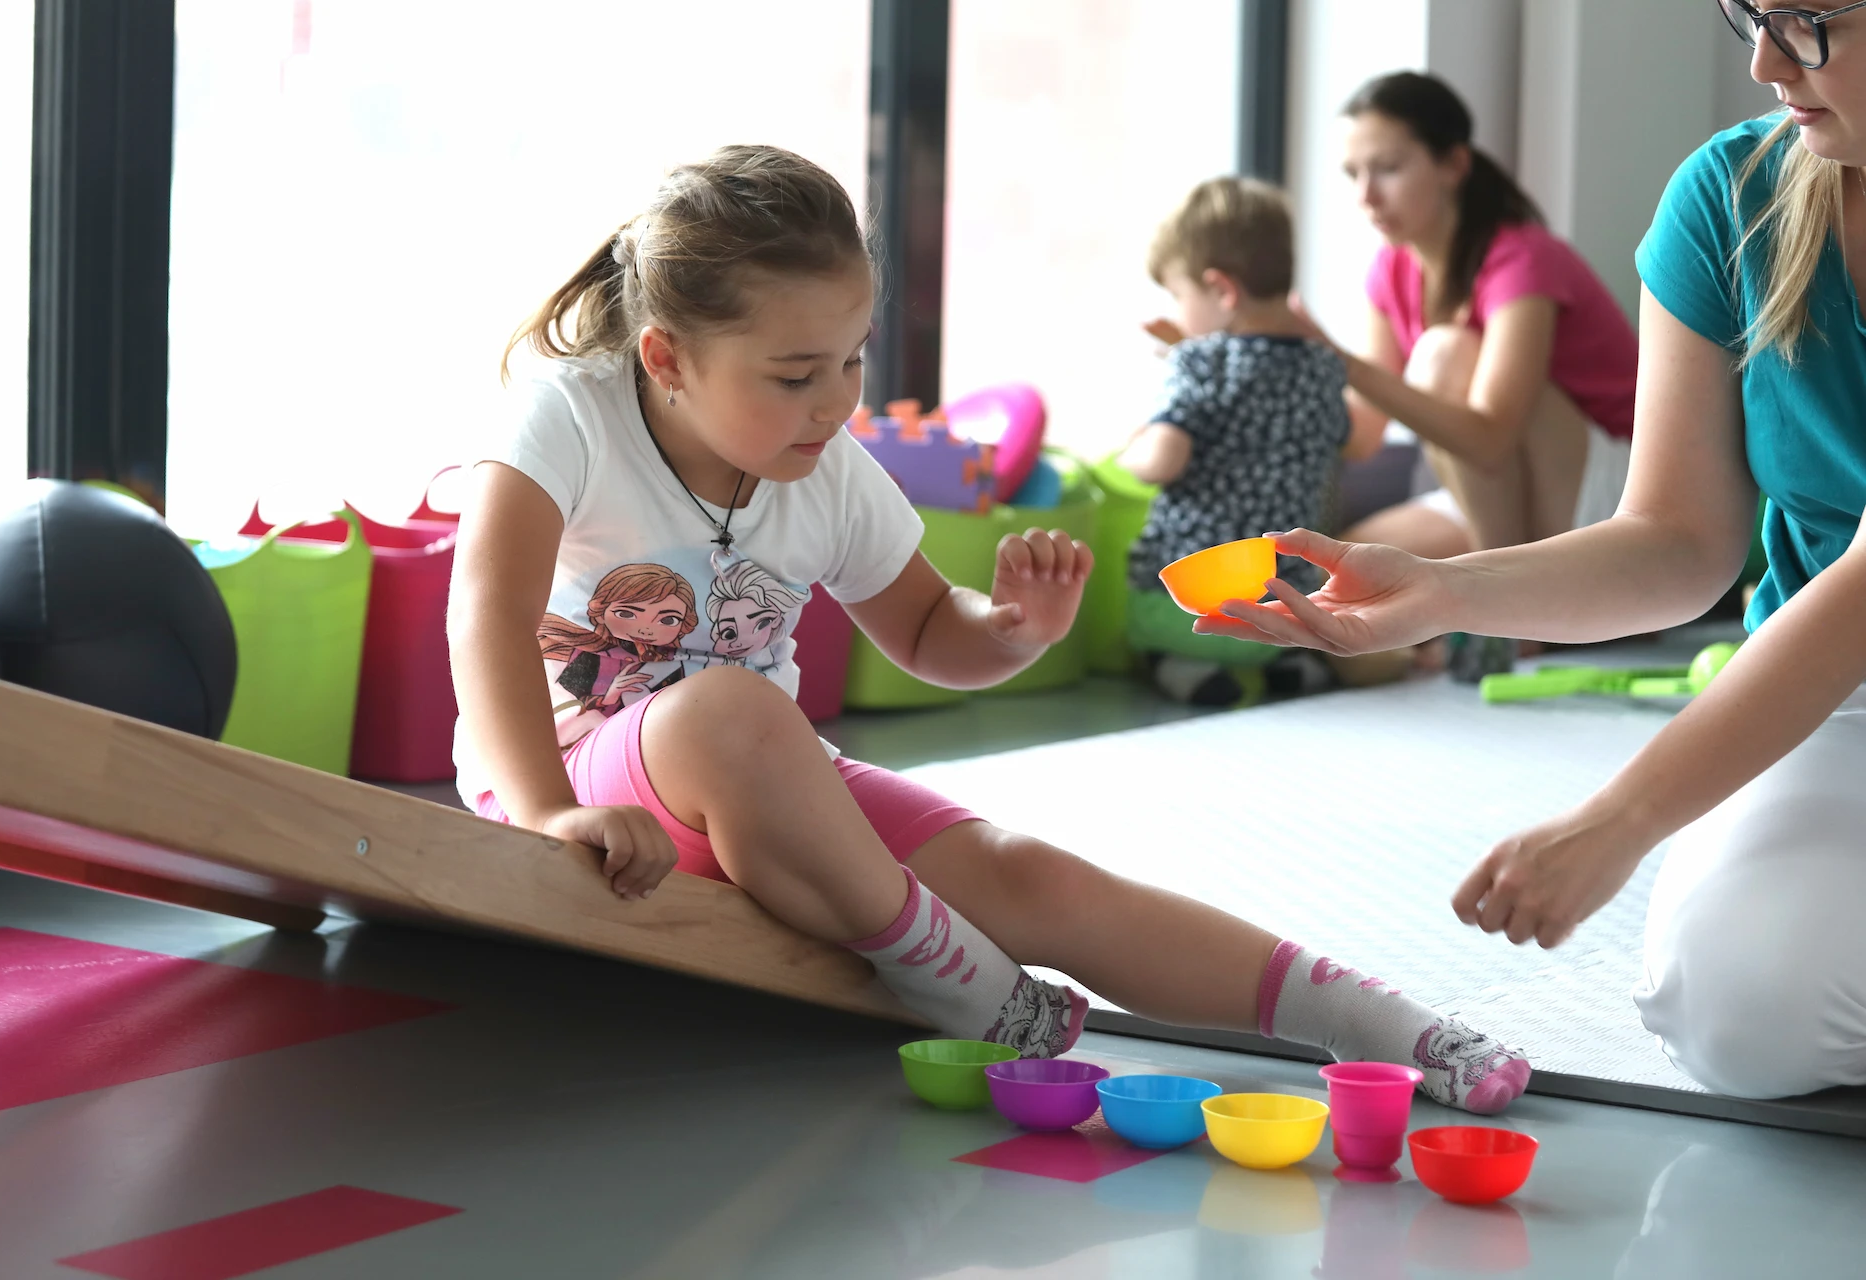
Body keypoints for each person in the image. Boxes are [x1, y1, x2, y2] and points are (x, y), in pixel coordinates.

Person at [446, 143, 1529, 1111]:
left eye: (853, 359)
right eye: (795, 375)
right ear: (667, 358)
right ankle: (959, 980)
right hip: (573, 775)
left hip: (763, 790)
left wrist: (1013, 628)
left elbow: (926, 627)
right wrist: (545, 812)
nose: (835, 402)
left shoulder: (826, 466)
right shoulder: (569, 411)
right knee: (724, 709)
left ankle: (1383, 1025)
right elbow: (486, 615)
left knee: (1031, 876)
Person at [1197, 2, 1866, 1100]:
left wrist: (1621, 816)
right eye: (1749, 13)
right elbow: (1679, 538)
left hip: (1833, 629)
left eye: (1805, 20)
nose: (1761, 61)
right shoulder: (1730, 194)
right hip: (1830, 688)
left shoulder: (1518, 264)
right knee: (1730, 1013)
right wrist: (1439, 591)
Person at [1303, 72, 1639, 562]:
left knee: (1442, 353)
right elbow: (1364, 434)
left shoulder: (1522, 259)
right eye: (1352, 174)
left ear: (1454, 164)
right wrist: (1276, 367)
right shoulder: (1391, 268)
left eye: (1387, 169)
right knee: (1338, 567)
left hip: (1617, 486)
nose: (1365, 196)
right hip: (1501, 491)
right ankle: (1501, 587)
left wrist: (1343, 362)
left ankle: (1502, 599)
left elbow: (1491, 441)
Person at [1120, 176, 1366, 705]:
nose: (1178, 312)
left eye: (1179, 295)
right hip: (1291, 607)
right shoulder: (1324, 368)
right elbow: (1353, 444)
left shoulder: (1198, 361)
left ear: (1222, 290)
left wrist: (1130, 451)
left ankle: (1176, 662)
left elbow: (1163, 459)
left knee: (1144, 598)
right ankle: (1288, 666)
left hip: (1194, 610)